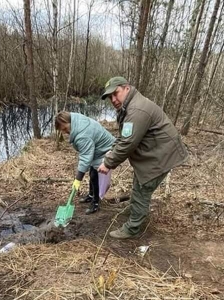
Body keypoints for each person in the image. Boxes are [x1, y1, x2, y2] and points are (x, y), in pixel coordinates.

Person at [98, 76, 189, 239]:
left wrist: (108, 163)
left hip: (161, 155)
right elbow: (124, 135)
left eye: (115, 93)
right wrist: (111, 151)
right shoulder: (129, 106)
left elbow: (128, 142)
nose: (113, 99)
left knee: (142, 189)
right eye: (110, 97)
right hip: (155, 152)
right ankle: (136, 210)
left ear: (126, 88)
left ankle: (133, 228)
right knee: (139, 184)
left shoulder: (136, 110)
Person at [55, 111, 115, 214]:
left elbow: (85, 158)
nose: (65, 132)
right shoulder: (76, 119)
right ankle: (91, 195)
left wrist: (78, 179)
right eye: (63, 130)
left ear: (69, 121)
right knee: (92, 172)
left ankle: (95, 203)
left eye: (65, 129)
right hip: (97, 149)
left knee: (95, 176)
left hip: (106, 150)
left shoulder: (82, 135)